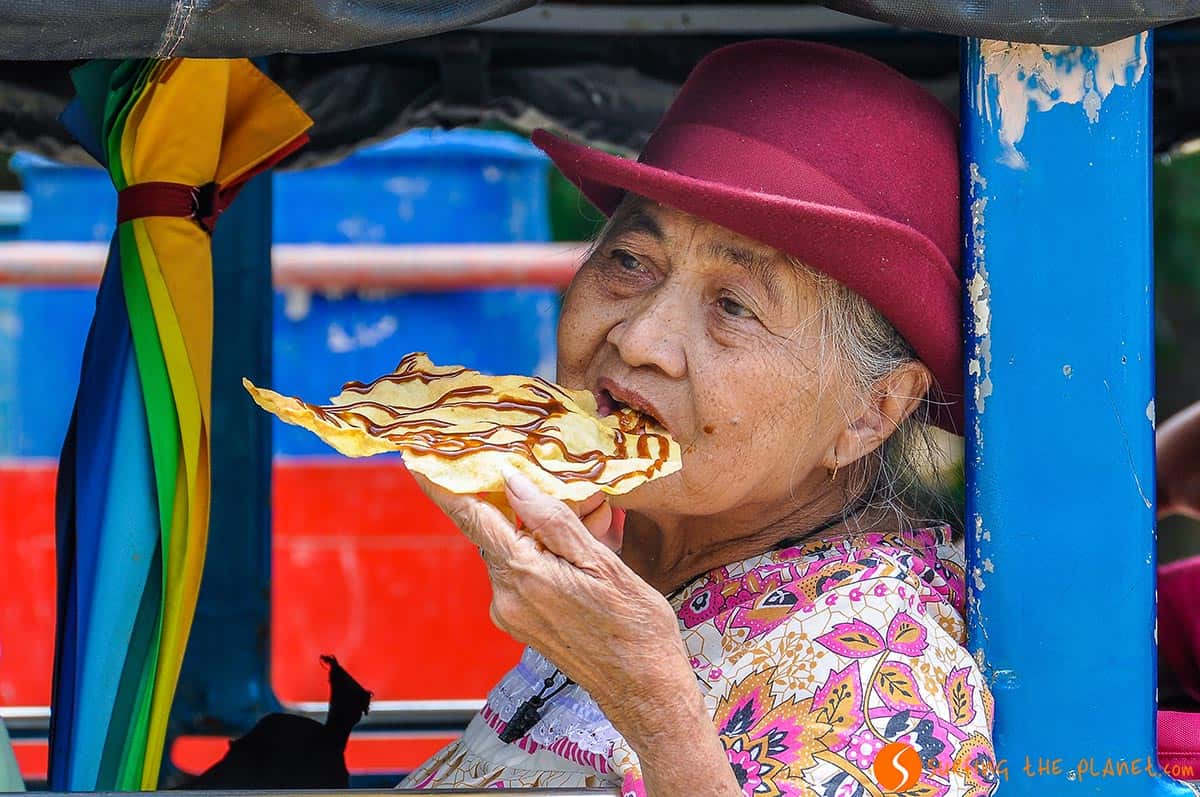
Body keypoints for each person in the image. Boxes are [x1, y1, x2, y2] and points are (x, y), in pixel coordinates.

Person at [401, 40, 999, 796]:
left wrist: (654, 705)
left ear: (871, 411)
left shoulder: (879, 668)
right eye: (629, 261)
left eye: (734, 306)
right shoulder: (629, 577)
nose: (639, 340)